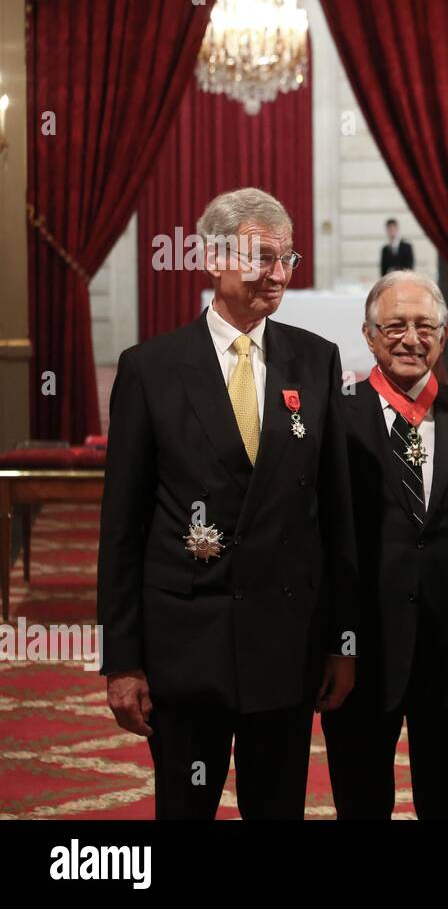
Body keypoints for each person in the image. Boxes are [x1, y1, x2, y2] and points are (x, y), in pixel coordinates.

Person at [97, 188, 358, 819]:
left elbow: (336, 515)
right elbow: (122, 530)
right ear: (213, 258)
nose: (277, 274)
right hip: (185, 649)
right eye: (261, 256)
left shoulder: (315, 360)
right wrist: (122, 661)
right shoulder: (150, 369)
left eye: (287, 258)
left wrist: (341, 643)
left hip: (285, 648)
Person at [322, 271, 448, 820]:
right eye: (395, 325)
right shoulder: (334, 418)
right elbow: (321, 541)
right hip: (360, 654)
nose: (411, 337)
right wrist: (334, 643)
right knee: (360, 805)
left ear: (444, 337)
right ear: (370, 336)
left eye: (425, 325)